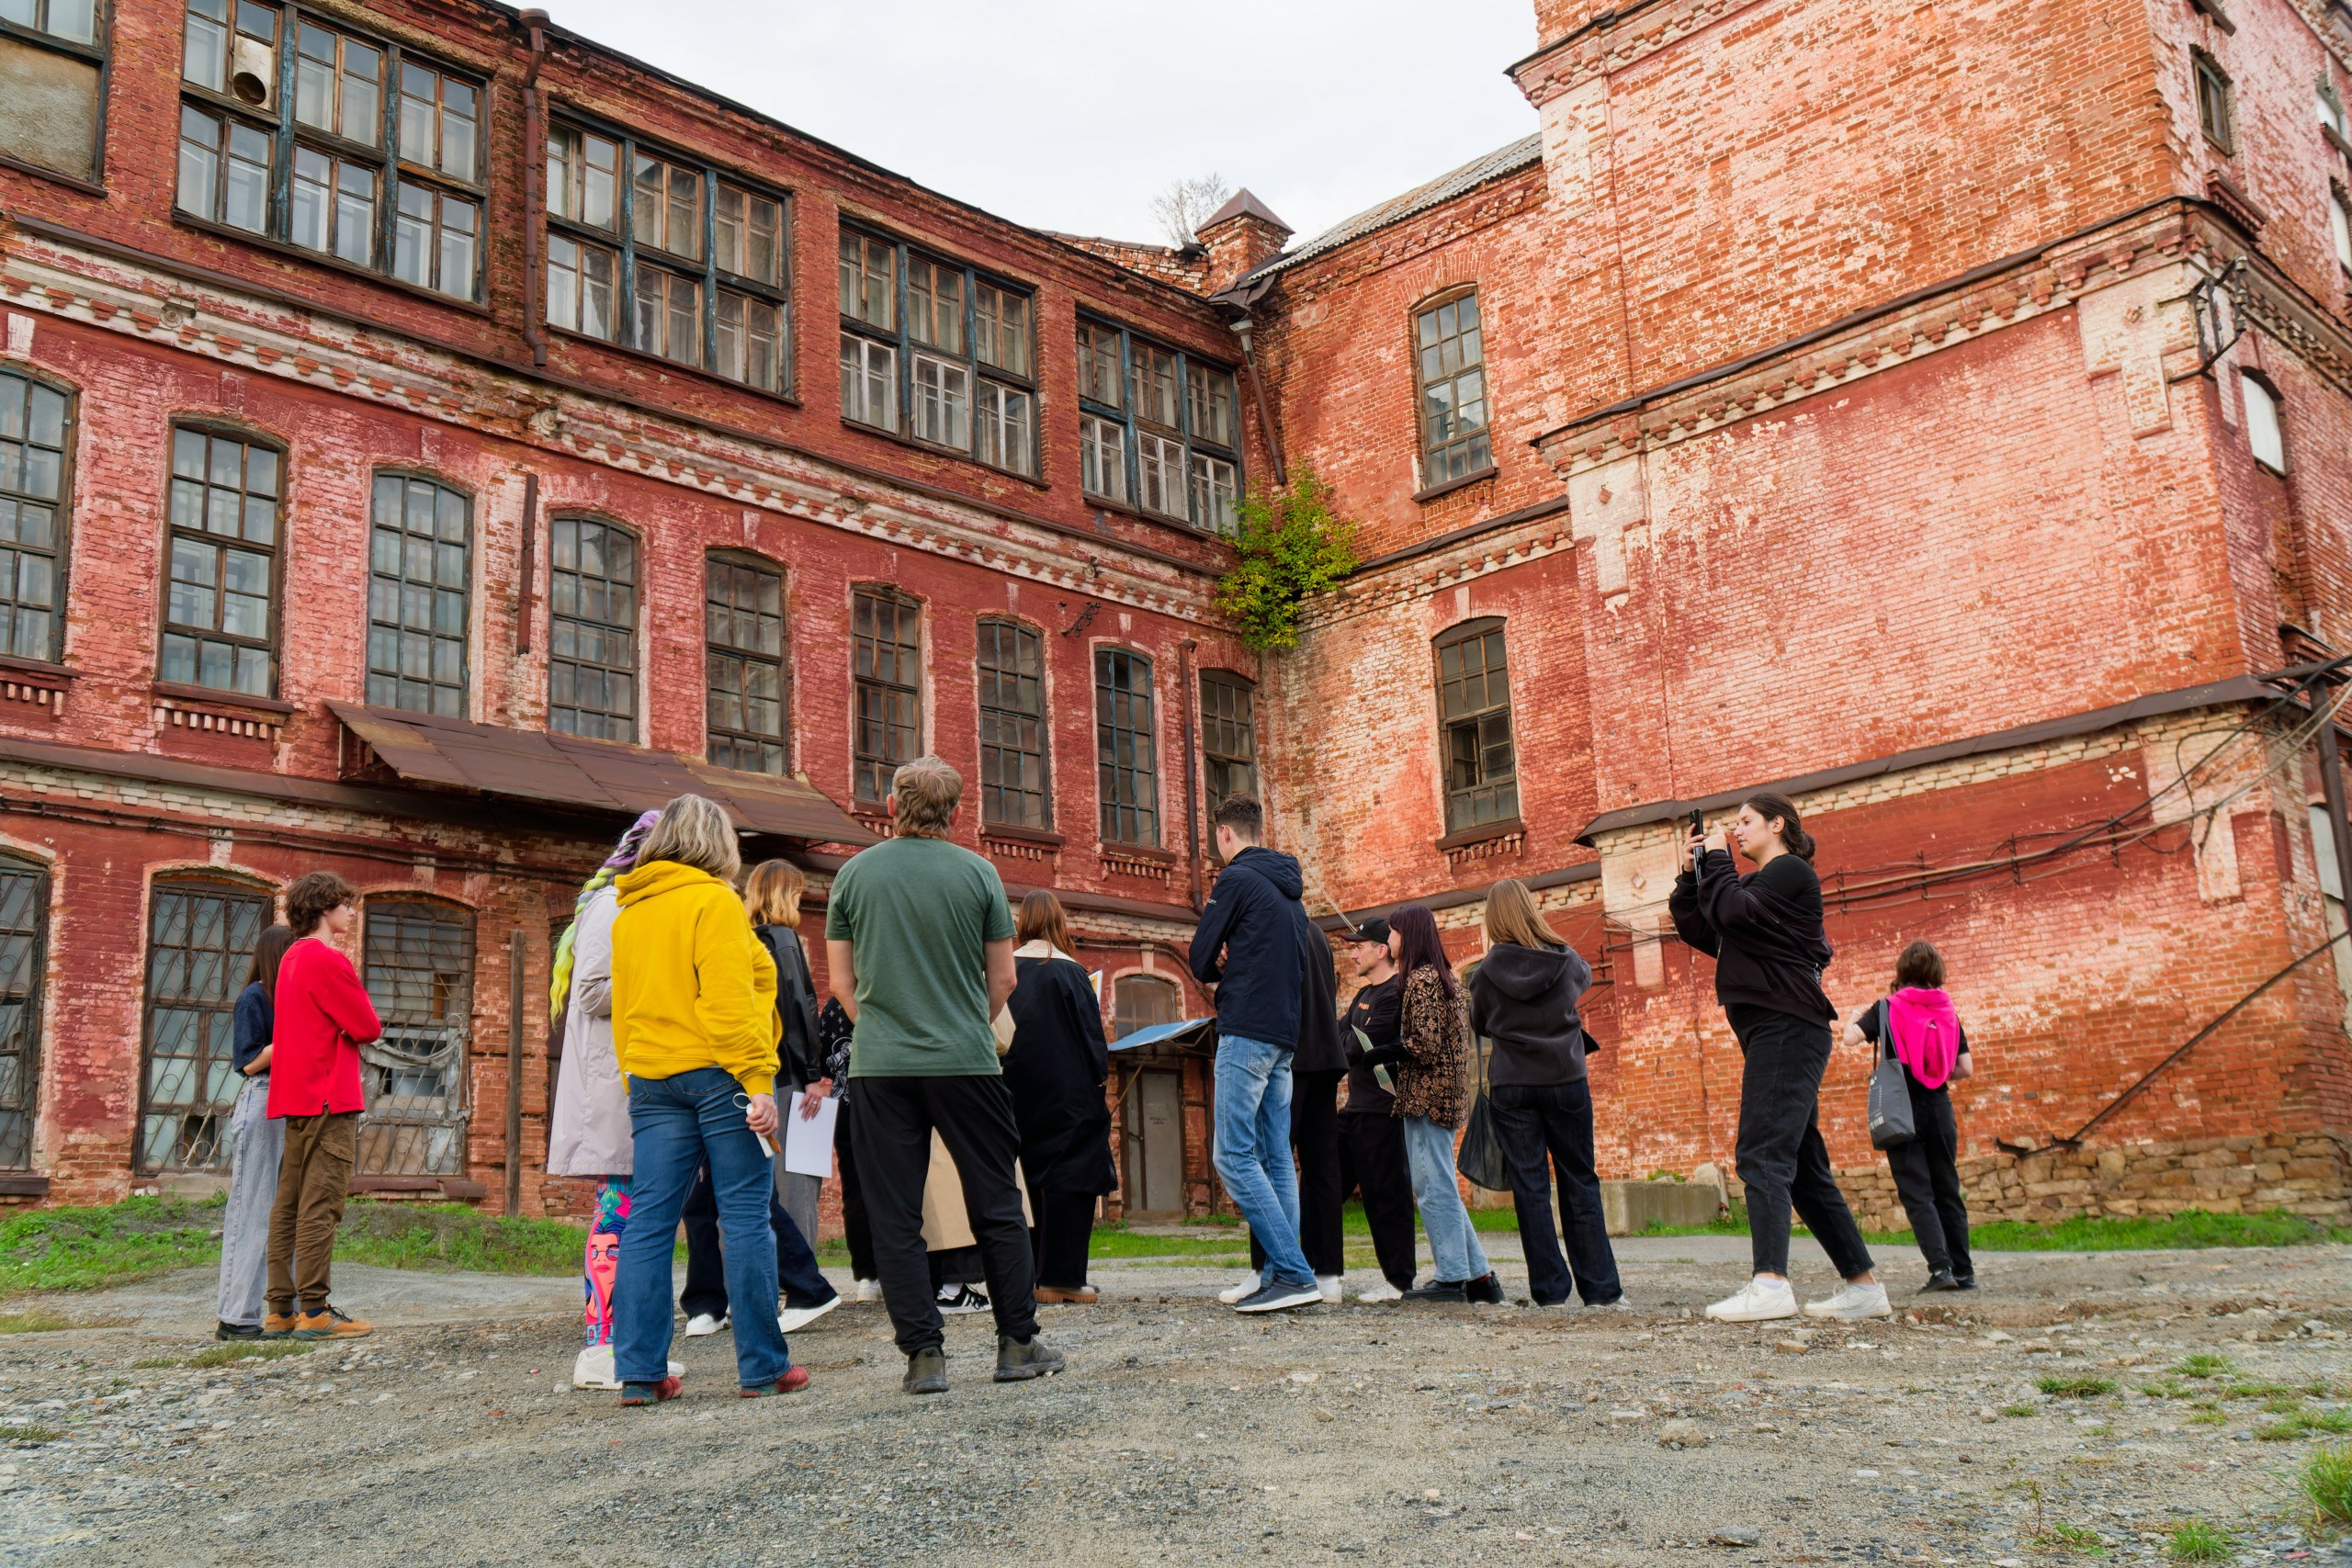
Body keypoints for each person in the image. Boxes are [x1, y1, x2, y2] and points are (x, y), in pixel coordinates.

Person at [826, 756, 1062, 1394]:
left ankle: (923, 1356)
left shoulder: (852, 876)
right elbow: (1005, 979)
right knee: (996, 1200)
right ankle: (1017, 1343)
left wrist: (885, 1027)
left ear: (890, 805)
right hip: (966, 1060)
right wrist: (961, 1020)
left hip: (881, 1067)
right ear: (956, 812)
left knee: (896, 1211)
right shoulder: (979, 873)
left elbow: (842, 985)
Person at [608, 793, 806, 1404]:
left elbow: (625, 1009)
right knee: (744, 1217)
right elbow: (725, 1000)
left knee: (648, 1222)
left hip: (651, 1078)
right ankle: (763, 1366)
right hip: (720, 1075)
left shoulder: (629, 910)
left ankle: (640, 1372)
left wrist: (634, 1080)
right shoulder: (714, 902)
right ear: (717, 843)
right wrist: (756, 1081)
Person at [1670, 793, 1888, 1324]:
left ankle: (1770, 1283)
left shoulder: (1791, 872)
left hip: (1787, 1027)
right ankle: (1864, 1288)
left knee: (1762, 1152)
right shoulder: (1751, 888)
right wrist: (1689, 877)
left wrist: (1718, 862)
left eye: (1745, 822)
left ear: (1778, 823)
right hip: (1778, 1029)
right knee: (1805, 1168)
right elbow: (1703, 928)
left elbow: (1732, 912)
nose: (1737, 831)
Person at [676, 859, 841, 1339]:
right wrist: (814, 1073)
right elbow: (801, 1011)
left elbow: (797, 1009)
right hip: (775, 1078)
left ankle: (770, 1290)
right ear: (785, 893)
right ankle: (791, 1288)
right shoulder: (783, 941)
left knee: (763, 1189)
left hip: (758, 1077)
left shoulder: (760, 939)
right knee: (786, 1187)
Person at [546, 809, 679, 1392]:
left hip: (629, 1075)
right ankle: (601, 1346)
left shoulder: (629, 903)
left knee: (628, 1208)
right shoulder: (613, 905)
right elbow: (595, 990)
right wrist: (670, 976)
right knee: (619, 1209)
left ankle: (618, 1342)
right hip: (613, 1081)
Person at [1187, 794, 1322, 1315]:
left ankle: (1292, 1272)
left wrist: (1226, 966)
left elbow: (1200, 957)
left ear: (1225, 834)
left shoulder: (1236, 880)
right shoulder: (1291, 892)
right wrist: (1240, 957)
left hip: (1246, 1030)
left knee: (1233, 1155)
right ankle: (1274, 1274)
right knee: (1276, 1161)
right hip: (1284, 1036)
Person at [1468, 879, 1623, 1310]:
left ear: (1493, 919)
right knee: (1580, 1181)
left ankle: (1551, 1293)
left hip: (1512, 1085)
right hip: (1565, 1079)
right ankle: (1603, 1292)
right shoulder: (1566, 961)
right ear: (1532, 910)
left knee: (1530, 1187)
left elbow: (1480, 1025)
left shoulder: (1484, 976)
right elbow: (1585, 980)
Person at [264, 873, 382, 1341]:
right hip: (328, 1095)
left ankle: (280, 1309)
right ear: (324, 908)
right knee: (322, 1204)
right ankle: (314, 1309)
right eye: (345, 905)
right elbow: (368, 1026)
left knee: (288, 1203)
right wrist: (346, 1029)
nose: (351, 913)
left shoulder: (291, 957)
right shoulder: (328, 961)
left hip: (295, 1095)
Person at [1365, 903, 1501, 1304]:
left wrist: (1384, 1051)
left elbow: (1423, 1045)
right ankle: (1479, 1278)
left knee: (1431, 1186)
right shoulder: (1446, 980)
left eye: (1392, 932)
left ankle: (1451, 1277)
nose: (1388, 941)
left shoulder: (1421, 981)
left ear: (1408, 934)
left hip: (1426, 1097)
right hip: (1446, 1095)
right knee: (1439, 1182)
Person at [1001, 890, 1116, 1304]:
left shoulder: (1005, 969)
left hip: (1012, 1090)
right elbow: (1092, 1040)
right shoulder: (1071, 974)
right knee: (1072, 1177)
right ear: (1058, 921)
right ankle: (1063, 1277)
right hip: (1069, 1095)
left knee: (1022, 1179)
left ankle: (1030, 1275)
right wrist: (1099, 1081)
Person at [1845, 939, 1976, 1292]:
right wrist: (1934, 1073)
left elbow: (1850, 1039)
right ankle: (1965, 1273)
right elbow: (1965, 1067)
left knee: (1917, 1192)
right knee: (1947, 1188)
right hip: (1939, 1108)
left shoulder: (1887, 1008)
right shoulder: (1947, 1011)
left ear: (1902, 972)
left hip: (1901, 1108)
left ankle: (1940, 1270)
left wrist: (1856, 1017)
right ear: (1936, 973)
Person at [1245, 915, 1348, 1303]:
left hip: (1288, 1054)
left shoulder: (1272, 923)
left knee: (1269, 1165)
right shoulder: (1316, 930)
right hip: (1326, 1054)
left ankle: (1266, 1270)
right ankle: (1328, 1274)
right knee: (1323, 1168)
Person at [215, 924, 296, 1341]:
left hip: (294, 1102)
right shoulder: (254, 997)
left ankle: (287, 1312)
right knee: (253, 1206)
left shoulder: (293, 998)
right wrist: (297, 1038)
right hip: (263, 1099)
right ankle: (236, 1317)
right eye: (292, 949)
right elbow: (247, 1062)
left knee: (287, 1212)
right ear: (277, 954)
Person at [1335, 918, 1415, 1303]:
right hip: (1354, 1110)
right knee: (1323, 1186)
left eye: (1359, 946)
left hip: (1383, 1111)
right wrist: (1352, 1035)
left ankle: (1398, 1280)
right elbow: (1344, 1036)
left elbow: (1361, 1046)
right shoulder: (1363, 995)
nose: (1353, 953)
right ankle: (1317, 1271)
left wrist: (1352, 1037)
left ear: (1380, 950)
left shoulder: (1395, 994)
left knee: (1386, 1196)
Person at [816, 997, 880, 1300]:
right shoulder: (883, 995)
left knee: (854, 1192)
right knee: (896, 1187)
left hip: (844, 1106)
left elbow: (822, 1059)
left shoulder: (832, 1007)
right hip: (886, 1107)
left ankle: (867, 1276)